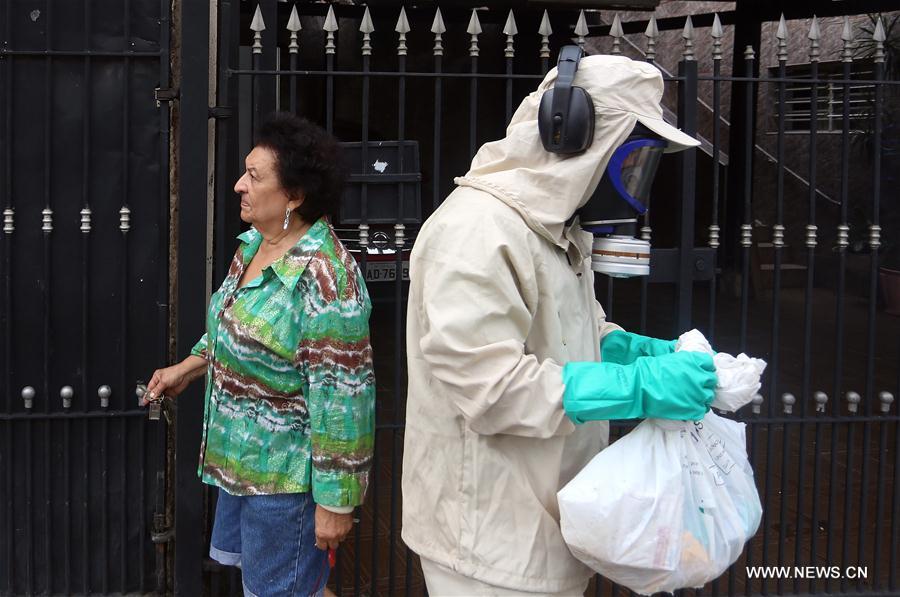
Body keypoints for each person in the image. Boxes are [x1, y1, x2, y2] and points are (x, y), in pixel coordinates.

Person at [401, 53, 718, 595]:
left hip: (547, 521)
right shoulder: (478, 231)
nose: (635, 190)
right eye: (632, 162)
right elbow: (492, 388)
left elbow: (575, 333)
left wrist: (631, 351)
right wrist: (639, 388)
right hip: (486, 543)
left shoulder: (555, 230)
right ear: (571, 138)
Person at [144, 113, 375, 597]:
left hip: (285, 485)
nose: (237, 186)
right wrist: (188, 367)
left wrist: (336, 503)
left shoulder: (327, 280)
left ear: (294, 195)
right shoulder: (254, 246)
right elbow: (237, 326)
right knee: (294, 587)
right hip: (244, 463)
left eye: (254, 176)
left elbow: (344, 403)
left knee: (283, 589)